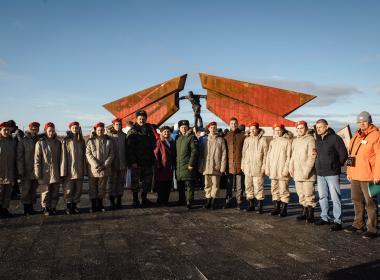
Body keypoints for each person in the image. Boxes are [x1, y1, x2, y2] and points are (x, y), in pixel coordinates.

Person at [345, 112, 379, 239]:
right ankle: (358, 224)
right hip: (355, 174)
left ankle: (372, 228)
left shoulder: (376, 134)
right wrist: (349, 171)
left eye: (364, 121)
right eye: (359, 122)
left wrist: (377, 175)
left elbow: (379, 156)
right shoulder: (356, 135)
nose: (362, 123)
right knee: (356, 200)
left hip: (369, 175)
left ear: (369, 121)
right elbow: (351, 155)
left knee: (370, 203)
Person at [314, 119, 348, 231]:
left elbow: (343, 155)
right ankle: (325, 217)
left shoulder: (335, 138)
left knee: (335, 197)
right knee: (323, 197)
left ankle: (338, 221)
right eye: (317, 127)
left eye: (321, 127)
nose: (318, 129)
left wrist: (335, 165)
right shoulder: (317, 139)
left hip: (332, 173)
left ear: (327, 126)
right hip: (320, 173)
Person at [127, 110, 156, 207]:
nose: (141, 120)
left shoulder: (149, 129)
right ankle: (135, 199)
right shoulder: (132, 131)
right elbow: (129, 149)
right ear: (136, 119)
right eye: (140, 118)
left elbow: (153, 143)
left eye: (143, 118)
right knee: (135, 182)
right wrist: (133, 161)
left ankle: (144, 198)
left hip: (148, 160)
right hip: (137, 161)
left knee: (147, 182)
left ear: (146, 119)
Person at [289, 121, 317, 223]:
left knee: (309, 194)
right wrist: (291, 168)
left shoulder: (310, 139)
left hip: (307, 173)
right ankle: (304, 213)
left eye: (301, 128)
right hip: (297, 172)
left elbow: (312, 156)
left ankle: (311, 215)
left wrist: (307, 171)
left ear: (306, 128)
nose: (299, 130)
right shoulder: (295, 141)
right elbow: (293, 156)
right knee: (301, 194)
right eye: (298, 129)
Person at [34, 122, 62, 216]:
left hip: (56, 170)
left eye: (53, 131)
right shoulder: (40, 143)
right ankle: (45, 207)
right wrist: (37, 173)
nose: (51, 133)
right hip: (44, 171)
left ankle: (53, 207)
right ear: (45, 131)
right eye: (49, 131)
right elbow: (37, 159)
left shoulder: (58, 143)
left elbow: (61, 158)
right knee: (45, 191)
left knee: (55, 191)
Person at [86, 122, 114, 212]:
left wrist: (105, 165)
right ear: (95, 130)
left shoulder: (109, 141)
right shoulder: (90, 141)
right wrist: (96, 165)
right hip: (93, 169)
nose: (100, 131)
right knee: (93, 188)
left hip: (104, 169)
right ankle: (93, 205)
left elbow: (111, 154)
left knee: (102, 188)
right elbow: (88, 154)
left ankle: (100, 204)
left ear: (104, 130)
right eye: (98, 130)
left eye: (101, 130)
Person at [265, 124, 292, 217]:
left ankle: (284, 209)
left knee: (283, 190)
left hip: (282, 171)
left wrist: (286, 169)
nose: (277, 132)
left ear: (282, 131)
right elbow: (268, 156)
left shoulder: (287, 142)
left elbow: (289, 157)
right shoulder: (272, 142)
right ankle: (276, 207)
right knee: (274, 189)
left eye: (279, 130)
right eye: (276, 130)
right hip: (273, 170)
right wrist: (267, 168)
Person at [198, 121, 227, 209]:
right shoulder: (204, 140)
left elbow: (224, 154)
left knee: (215, 185)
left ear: (216, 128)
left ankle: (214, 201)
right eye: (211, 128)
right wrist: (200, 166)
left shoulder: (220, 139)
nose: (213, 129)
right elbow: (201, 154)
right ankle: (208, 200)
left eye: (214, 127)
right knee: (207, 184)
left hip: (216, 166)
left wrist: (222, 167)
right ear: (209, 129)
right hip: (206, 166)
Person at [241, 122, 268, 213]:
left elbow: (265, 155)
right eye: (251, 129)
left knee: (258, 187)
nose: (252, 131)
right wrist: (243, 165)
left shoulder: (263, 140)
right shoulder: (247, 140)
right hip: (248, 168)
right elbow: (243, 154)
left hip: (258, 168)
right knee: (248, 187)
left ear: (257, 129)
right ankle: (251, 205)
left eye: (254, 129)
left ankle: (260, 206)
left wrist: (264, 167)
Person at [61, 121, 86, 214]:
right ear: (70, 129)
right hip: (69, 170)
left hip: (79, 169)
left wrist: (84, 169)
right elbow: (63, 156)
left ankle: (75, 205)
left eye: (76, 128)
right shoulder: (66, 140)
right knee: (68, 189)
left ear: (79, 129)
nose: (75, 129)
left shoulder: (81, 140)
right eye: (73, 128)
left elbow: (84, 156)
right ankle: (68, 206)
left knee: (78, 189)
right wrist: (63, 171)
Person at [17, 121, 40, 215]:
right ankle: (26, 209)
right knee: (26, 190)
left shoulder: (39, 140)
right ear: (29, 129)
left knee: (33, 189)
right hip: (26, 169)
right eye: (32, 129)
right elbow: (19, 157)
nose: (34, 130)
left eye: (36, 129)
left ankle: (31, 208)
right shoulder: (24, 140)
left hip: (37, 170)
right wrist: (21, 170)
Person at [223, 117, 246, 209]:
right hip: (229, 165)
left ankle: (239, 202)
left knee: (239, 185)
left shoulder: (242, 136)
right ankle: (228, 201)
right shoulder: (226, 136)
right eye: (232, 123)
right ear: (229, 125)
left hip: (239, 164)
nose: (233, 125)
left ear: (237, 124)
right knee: (228, 185)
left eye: (235, 123)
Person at [175, 120, 198, 208]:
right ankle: (181, 200)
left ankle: (190, 201)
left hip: (188, 165)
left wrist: (191, 164)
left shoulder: (192, 137)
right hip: (179, 166)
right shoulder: (178, 138)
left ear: (188, 127)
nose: (184, 128)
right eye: (182, 127)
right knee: (180, 185)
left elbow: (194, 151)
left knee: (189, 185)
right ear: (179, 128)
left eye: (185, 127)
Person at [107, 118, 128, 210]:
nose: (118, 126)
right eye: (116, 124)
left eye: (120, 124)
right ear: (113, 125)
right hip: (112, 163)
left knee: (120, 182)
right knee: (112, 182)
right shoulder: (109, 136)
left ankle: (119, 199)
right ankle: (112, 200)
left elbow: (127, 149)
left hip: (122, 162)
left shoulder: (124, 135)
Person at [154, 126, 175, 206]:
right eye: (165, 131)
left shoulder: (171, 141)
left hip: (169, 166)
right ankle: (160, 200)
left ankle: (166, 200)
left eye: (168, 131)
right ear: (161, 133)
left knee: (168, 183)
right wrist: (158, 165)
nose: (166, 133)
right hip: (162, 166)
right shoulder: (159, 141)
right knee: (161, 184)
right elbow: (156, 154)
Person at [0, 122, 17, 218]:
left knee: (7, 193)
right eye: (4, 130)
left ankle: (5, 209)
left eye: (8, 130)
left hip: (10, 171)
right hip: (1, 172)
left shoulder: (12, 142)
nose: (6, 132)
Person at [8, 120, 23, 198]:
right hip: (13, 155)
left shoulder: (17, 132)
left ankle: (15, 191)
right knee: (14, 175)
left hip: (16, 156)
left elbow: (20, 143)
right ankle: (16, 191)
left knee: (14, 175)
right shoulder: (16, 132)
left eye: (9, 127)